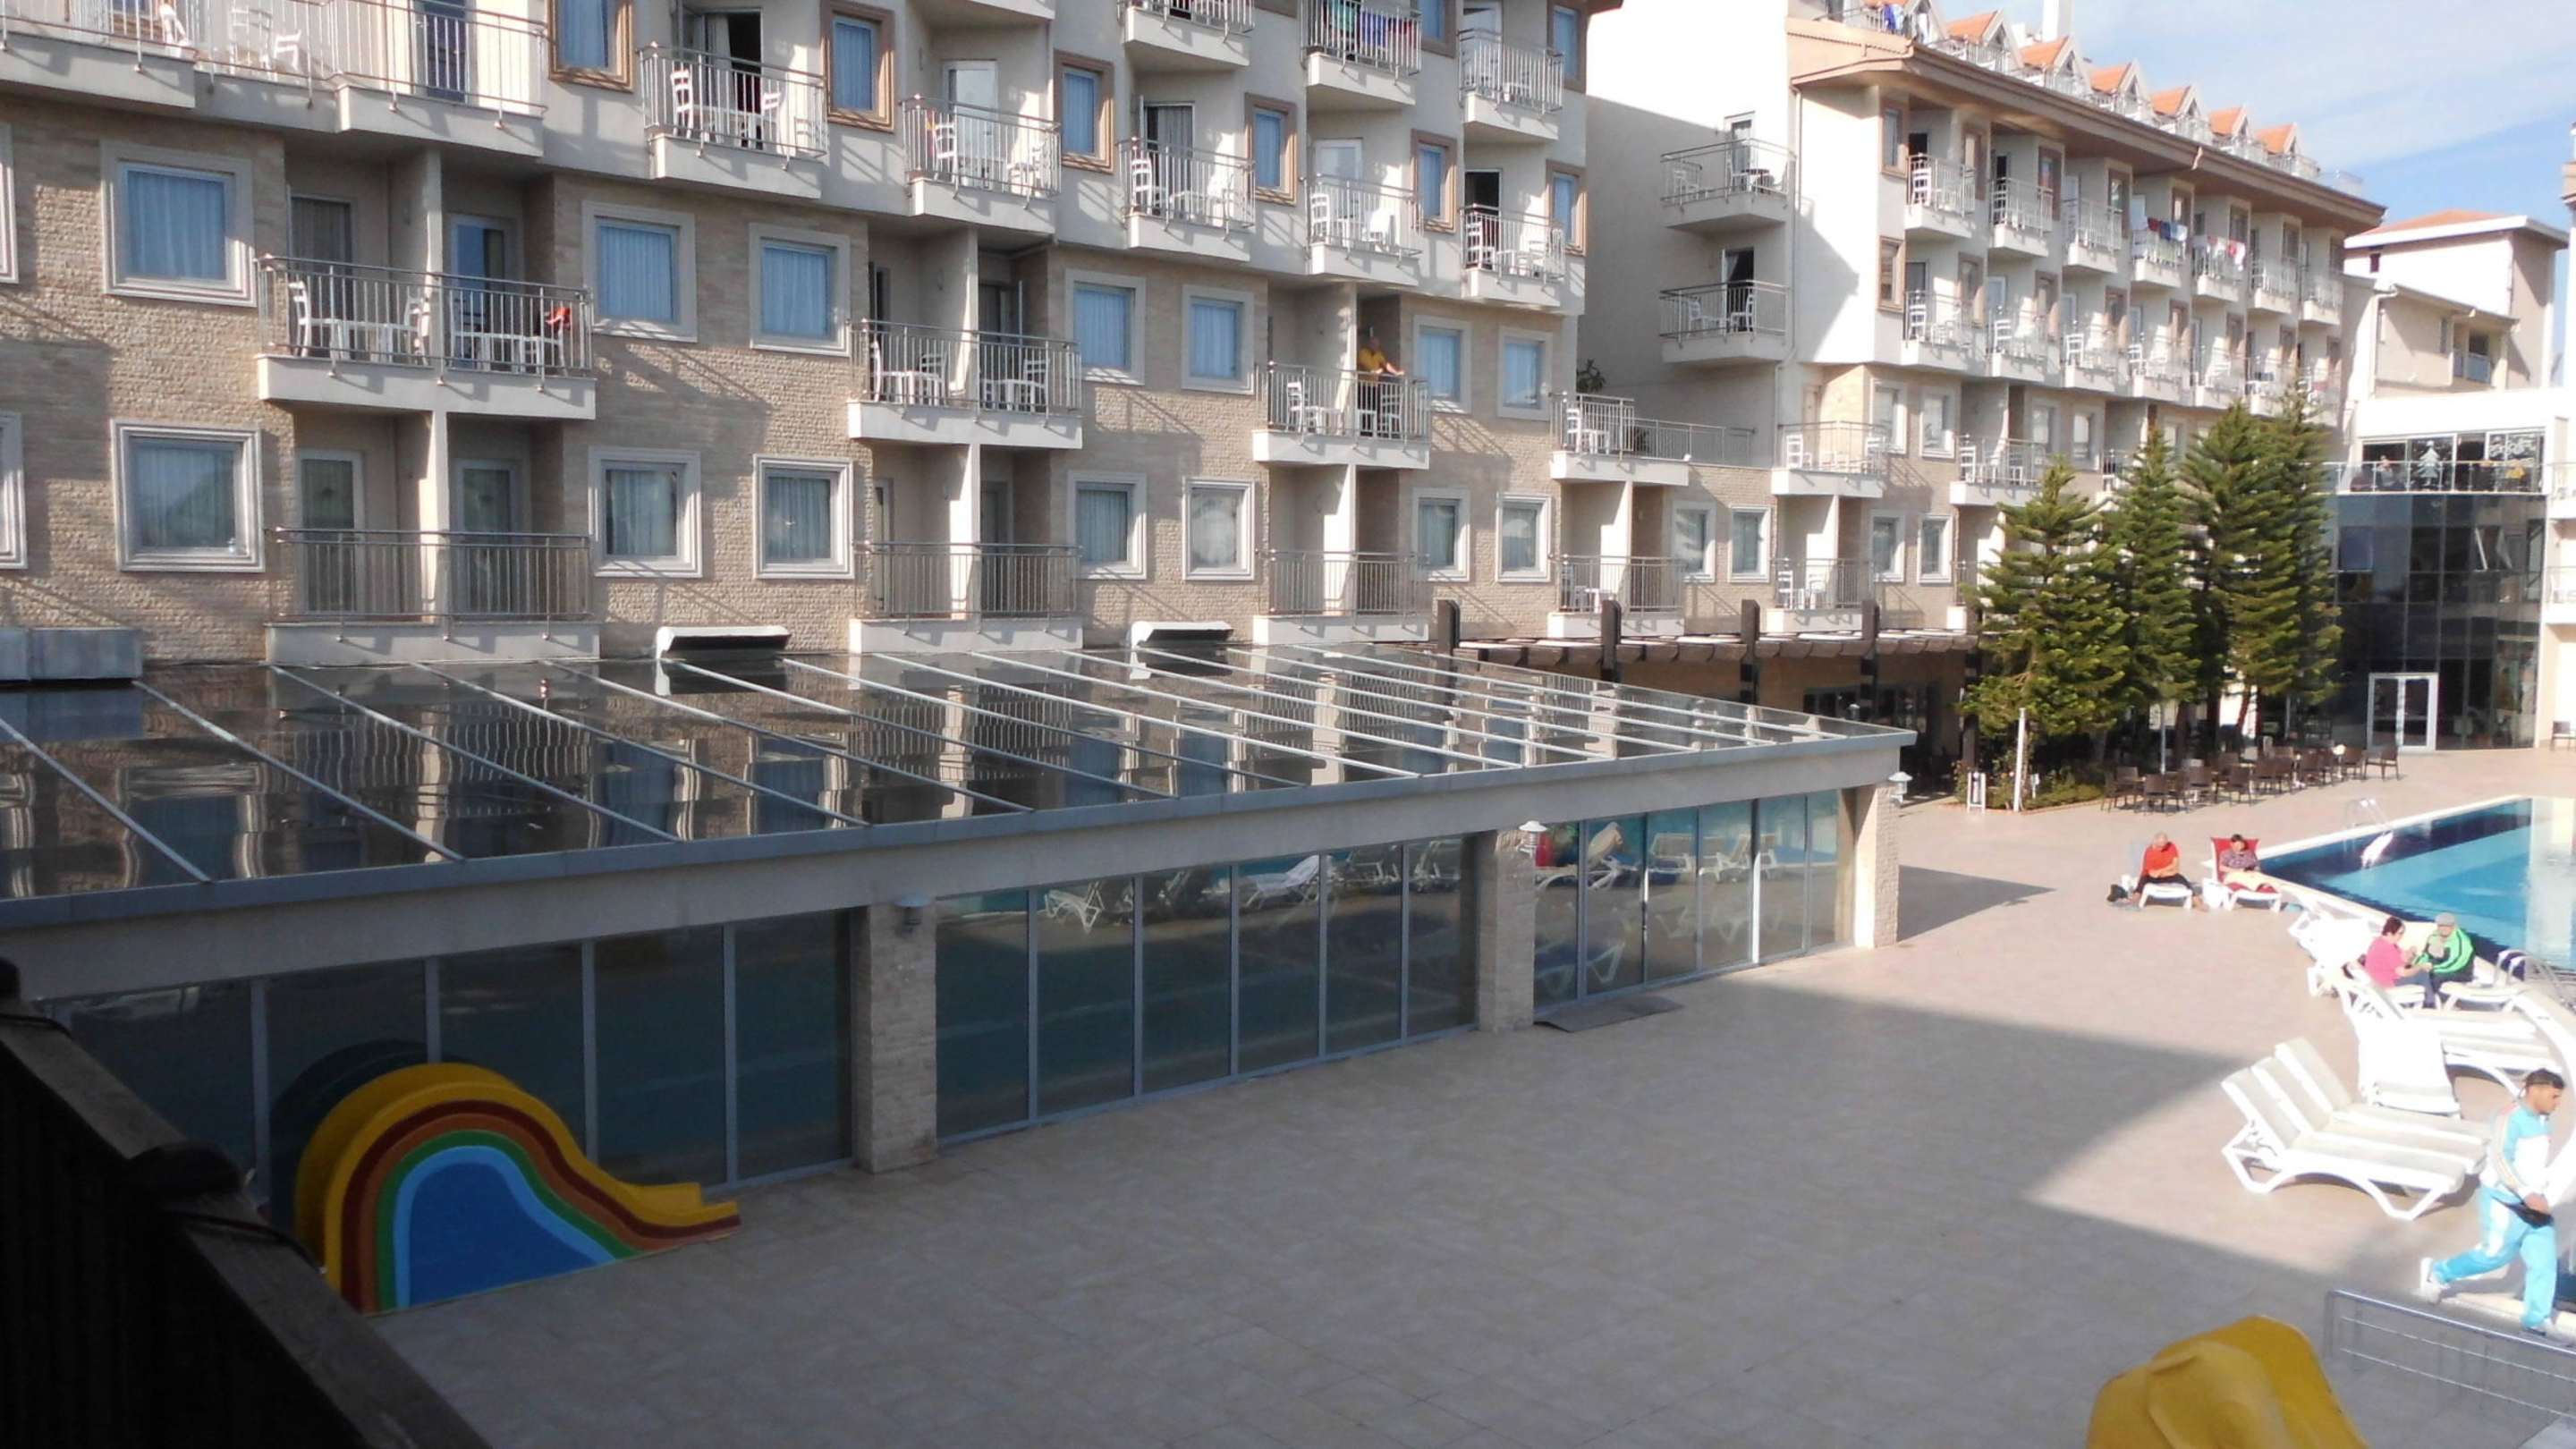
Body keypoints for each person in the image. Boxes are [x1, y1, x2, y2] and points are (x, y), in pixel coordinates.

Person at [2422, 1069, 2564, 1338]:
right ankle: (2438, 1273)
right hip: (2506, 1201)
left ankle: (2536, 1322)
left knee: (2544, 1262)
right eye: (2554, 1096)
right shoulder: (2508, 1119)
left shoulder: (2544, 1120)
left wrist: (2539, 1192)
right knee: (2494, 1255)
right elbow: (2500, 1159)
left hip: (2535, 1204)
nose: (2558, 1103)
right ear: (2535, 1090)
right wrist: (2526, 1193)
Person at [2394, 911, 2477, 1008]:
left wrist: (2433, 969)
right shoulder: (2434, 936)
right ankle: (2405, 998)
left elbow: (2456, 963)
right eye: (2441, 926)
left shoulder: (2461, 941)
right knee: (2410, 970)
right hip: (2435, 966)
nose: (2444, 928)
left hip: (2459, 972)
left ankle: (2429, 1004)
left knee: (2433, 977)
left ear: (2453, 926)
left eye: (2447, 926)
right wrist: (2416, 963)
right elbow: (2426, 955)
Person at [2133, 832, 2202, 910]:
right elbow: (2153, 874)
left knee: (2183, 880)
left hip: (2167, 874)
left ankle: (2198, 903)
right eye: (2159, 846)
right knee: (2143, 881)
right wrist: (2166, 872)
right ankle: (2134, 900)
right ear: (2154, 842)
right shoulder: (2149, 852)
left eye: (2163, 845)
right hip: (2151, 877)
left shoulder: (2171, 846)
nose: (2161, 848)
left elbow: (2175, 866)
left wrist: (2161, 871)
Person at [2360, 914, 2407, 990]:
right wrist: (2416, 966)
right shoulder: (2388, 948)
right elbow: (2401, 971)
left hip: (2377, 979)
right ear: (2390, 933)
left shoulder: (2379, 941)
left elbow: (2402, 954)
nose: (2402, 936)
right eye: (2400, 933)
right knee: (2421, 975)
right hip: (2386, 982)